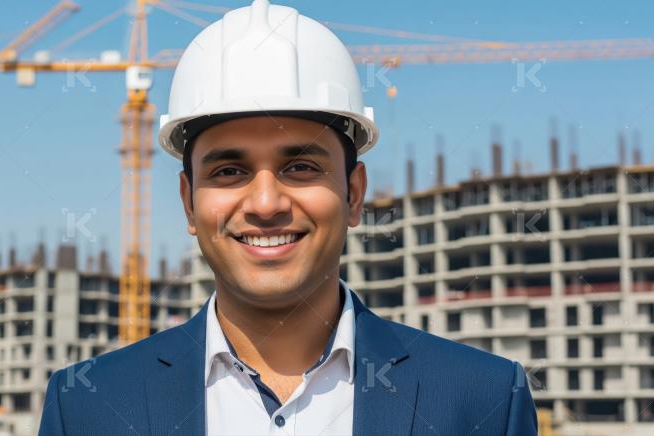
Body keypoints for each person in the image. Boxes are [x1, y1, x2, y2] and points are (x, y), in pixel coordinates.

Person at [38, 1, 538, 434]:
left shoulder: (486, 400)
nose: (265, 203)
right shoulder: (85, 406)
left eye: (300, 167)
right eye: (229, 171)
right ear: (189, 203)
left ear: (354, 194)